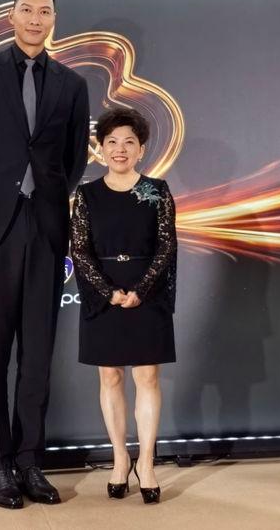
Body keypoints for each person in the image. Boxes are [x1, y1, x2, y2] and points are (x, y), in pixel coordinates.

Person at [0, 0, 90, 509]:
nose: (35, 19)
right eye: (26, 10)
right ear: (10, 17)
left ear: (54, 19)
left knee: (37, 353)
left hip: (46, 225)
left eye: (44, 11)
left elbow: (74, 158)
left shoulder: (72, 84)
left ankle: (30, 462)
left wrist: (45, 197)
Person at [70, 107, 177, 504]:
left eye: (129, 142)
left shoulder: (157, 191)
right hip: (103, 293)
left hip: (148, 292)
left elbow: (166, 246)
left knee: (147, 377)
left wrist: (142, 289)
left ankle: (146, 463)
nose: (120, 149)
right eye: (112, 141)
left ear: (141, 149)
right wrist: (108, 292)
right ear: (100, 149)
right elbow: (80, 250)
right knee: (110, 377)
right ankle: (119, 458)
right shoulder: (86, 195)